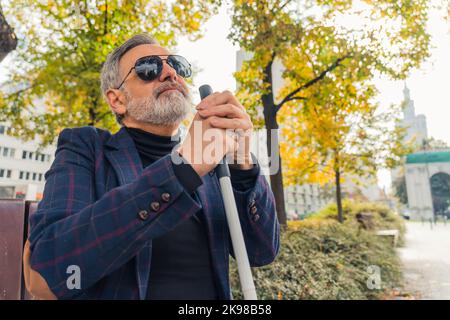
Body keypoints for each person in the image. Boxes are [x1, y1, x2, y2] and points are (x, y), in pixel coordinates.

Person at [23, 34, 280, 300]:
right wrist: (179, 171)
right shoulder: (86, 149)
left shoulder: (213, 163)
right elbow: (52, 266)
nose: (170, 74)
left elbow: (261, 252)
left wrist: (243, 168)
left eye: (177, 66)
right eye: (149, 68)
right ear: (117, 100)